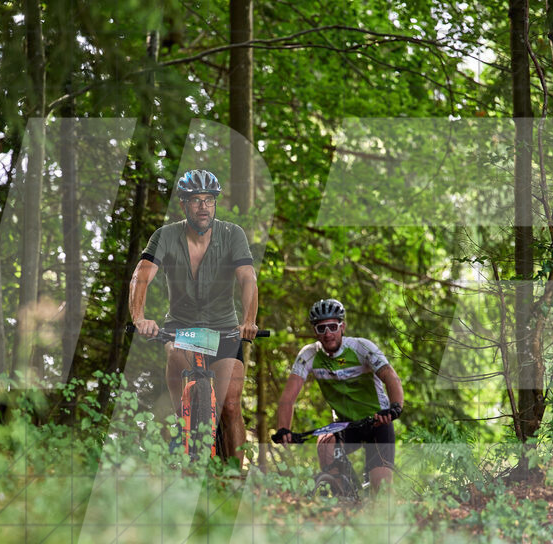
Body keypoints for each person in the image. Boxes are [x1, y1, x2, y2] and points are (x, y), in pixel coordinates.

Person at [129, 169, 259, 462]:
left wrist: (248, 320)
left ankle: (235, 480)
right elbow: (141, 276)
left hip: (225, 330)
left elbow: (247, 278)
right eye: (196, 200)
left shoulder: (231, 234)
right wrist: (140, 317)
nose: (203, 206)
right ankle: (182, 444)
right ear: (183, 205)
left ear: (215, 203)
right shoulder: (165, 236)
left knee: (230, 405)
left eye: (209, 200)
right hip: (181, 329)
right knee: (181, 396)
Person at [274, 298, 404, 492]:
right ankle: (345, 498)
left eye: (333, 327)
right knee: (325, 442)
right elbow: (288, 398)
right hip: (345, 425)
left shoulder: (361, 348)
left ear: (343, 327)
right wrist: (284, 429)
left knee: (382, 491)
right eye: (321, 328)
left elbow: (391, 378)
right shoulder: (308, 355)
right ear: (314, 331)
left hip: (377, 421)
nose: (328, 334)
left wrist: (395, 407)